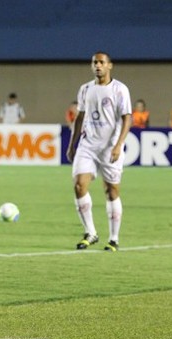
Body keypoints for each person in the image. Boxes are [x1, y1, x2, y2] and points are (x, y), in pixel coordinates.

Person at [66, 51, 132, 252]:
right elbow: (80, 116)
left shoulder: (120, 89)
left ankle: (113, 239)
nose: (98, 65)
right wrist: (72, 144)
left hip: (109, 147)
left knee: (111, 191)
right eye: (95, 62)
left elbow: (127, 118)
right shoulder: (85, 89)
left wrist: (119, 144)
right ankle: (90, 232)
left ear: (109, 65)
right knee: (79, 185)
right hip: (88, 146)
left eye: (102, 62)